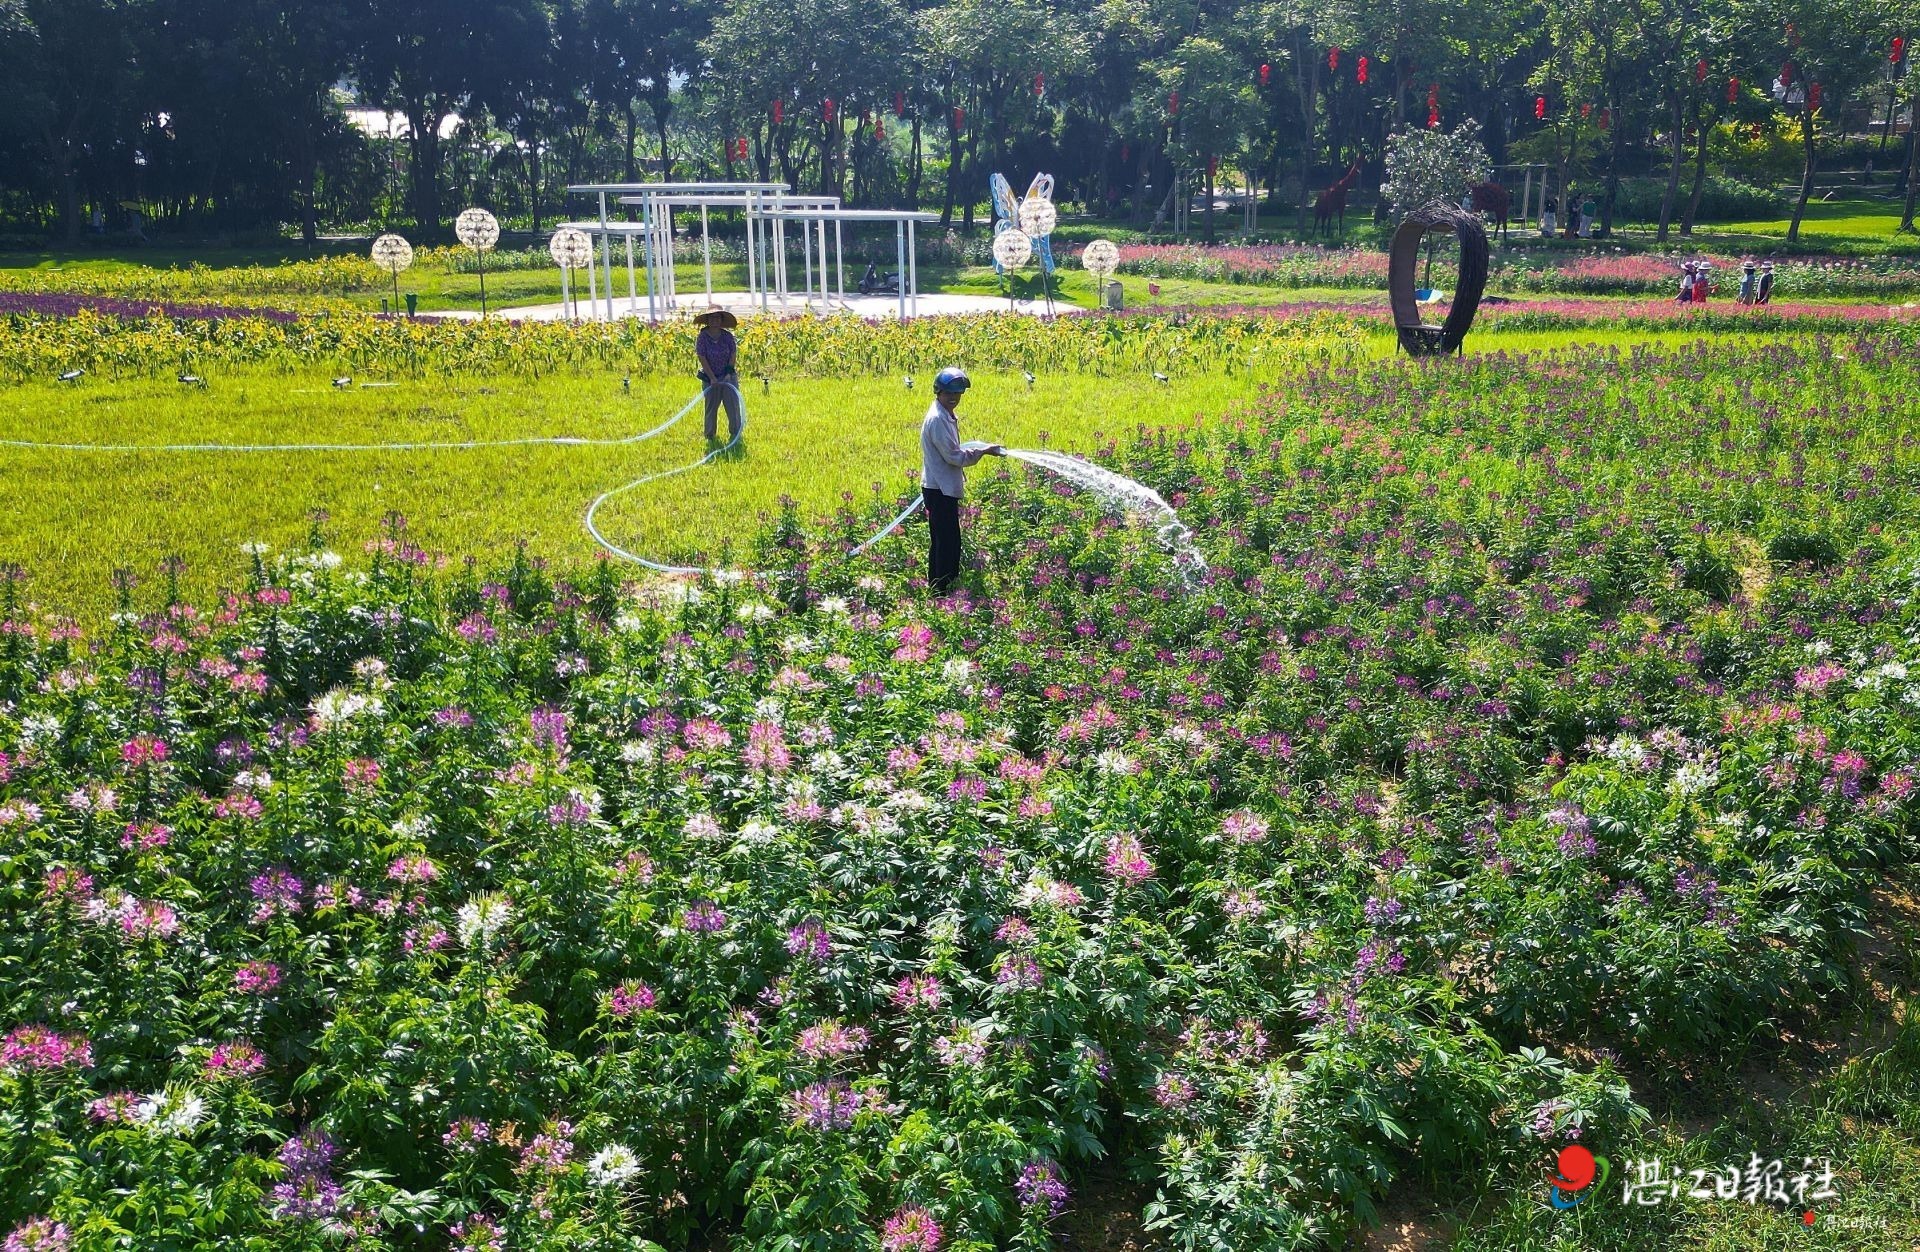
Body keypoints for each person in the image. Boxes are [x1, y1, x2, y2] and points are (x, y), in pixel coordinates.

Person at [919, 366, 1002, 593]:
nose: (954, 398)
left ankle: (939, 587)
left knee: (943, 540)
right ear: (938, 392)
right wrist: (984, 451)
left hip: (940, 486)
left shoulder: (944, 414)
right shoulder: (937, 420)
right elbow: (954, 456)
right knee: (947, 543)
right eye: (950, 394)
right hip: (940, 489)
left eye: (958, 394)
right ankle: (943, 591)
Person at [692, 307, 742, 442]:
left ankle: (735, 433)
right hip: (710, 378)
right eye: (712, 318)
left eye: (717, 318)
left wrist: (727, 373)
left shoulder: (727, 336)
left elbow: (732, 354)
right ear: (707, 320)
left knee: (733, 406)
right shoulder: (702, 337)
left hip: (728, 377)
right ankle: (710, 435)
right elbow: (702, 357)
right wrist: (712, 378)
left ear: (721, 320)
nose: (715, 321)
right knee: (711, 408)